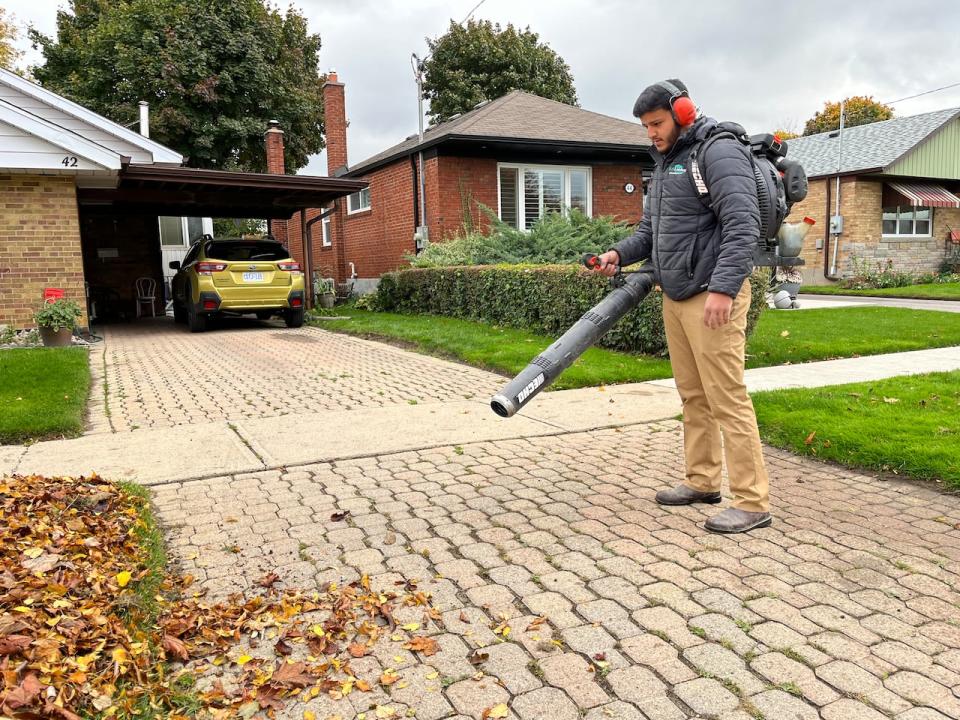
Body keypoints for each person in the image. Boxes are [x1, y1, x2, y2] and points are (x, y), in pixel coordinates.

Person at [593, 79, 770, 534]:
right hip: (676, 294)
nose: (650, 133)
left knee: (726, 397)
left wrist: (725, 289)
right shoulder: (668, 163)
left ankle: (752, 502)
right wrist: (617, 253)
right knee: (693, 396)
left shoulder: (718, 151)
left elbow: (742, 223)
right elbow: (651, 233)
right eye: (645, 126)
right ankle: (702, 481)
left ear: (683, 112)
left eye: (656, 123)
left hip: (712, 293)